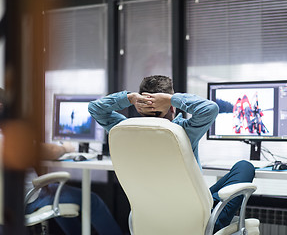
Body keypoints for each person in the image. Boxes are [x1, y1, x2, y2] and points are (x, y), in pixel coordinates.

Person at [88, 75, 255, 232]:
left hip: (150, 218)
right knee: (244, 167)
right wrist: (169, 99)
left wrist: (129, 98)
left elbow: (94, 108)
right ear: (171, 106)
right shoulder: (182, 131)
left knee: (208, 193)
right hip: (195, 220)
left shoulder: (125, 130)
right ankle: (214, 225)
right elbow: (210, 108)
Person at [24, 142, 124, 235]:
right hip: (30, 202)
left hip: (15, 206)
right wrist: (65, 148)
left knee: (61, 198)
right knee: (93, 201)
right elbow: (51, 151)